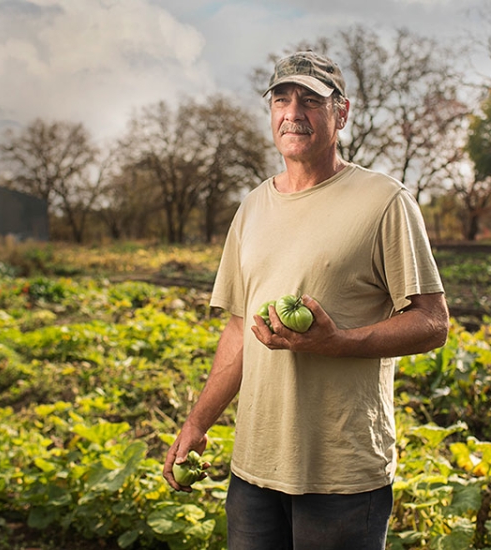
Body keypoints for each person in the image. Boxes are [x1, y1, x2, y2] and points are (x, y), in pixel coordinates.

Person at [162, 50, 450, 550]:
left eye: (311, 100)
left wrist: (337, 341)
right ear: (271, 111)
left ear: (341, 113)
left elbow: (433, 322)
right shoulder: (252, 207)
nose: (293, 112)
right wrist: (196, 422)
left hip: (341, 473)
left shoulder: (384, 201)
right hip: (254, 469)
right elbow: (237, 334)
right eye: (282, 98)